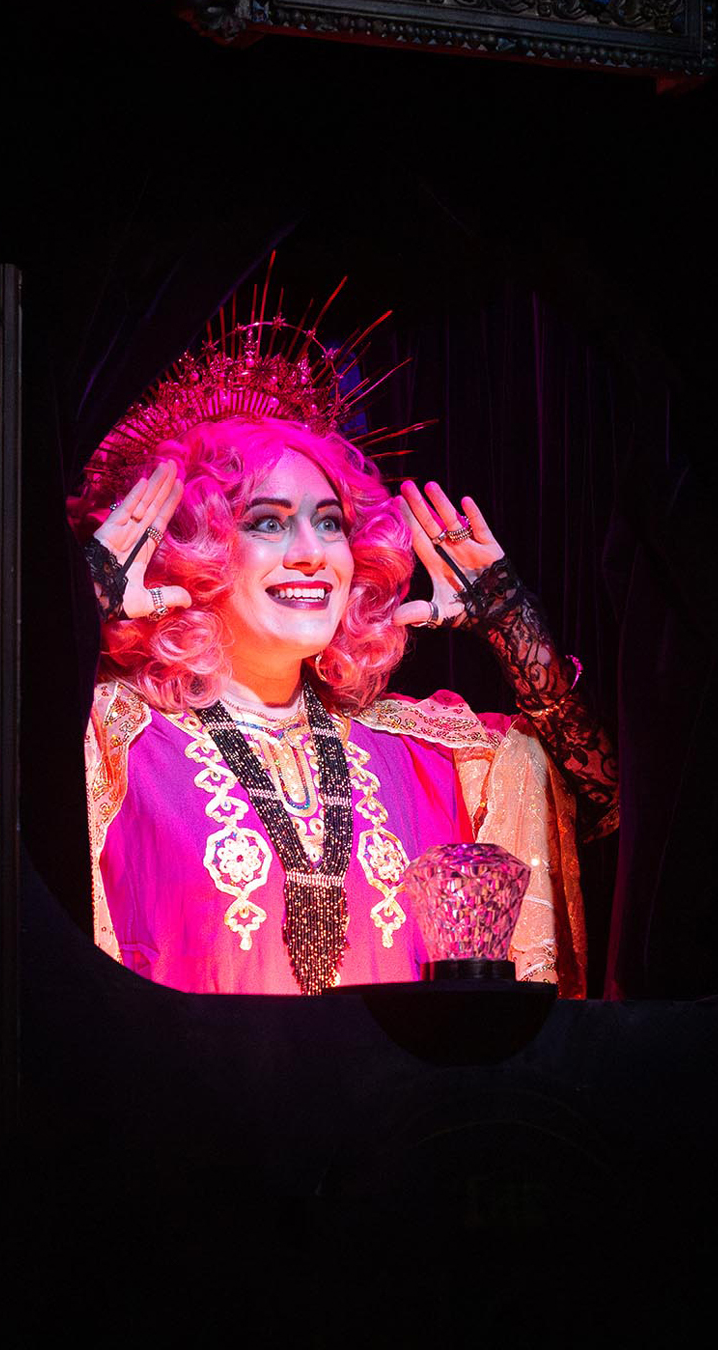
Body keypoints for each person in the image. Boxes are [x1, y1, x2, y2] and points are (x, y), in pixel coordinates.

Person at [79, 317, 617, 998]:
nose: (312, 550)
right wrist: (80, 600)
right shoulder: (115, 738)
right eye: (266, 521)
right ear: (196, 549)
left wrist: (512, 620)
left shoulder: (444, 757)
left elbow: (609, 813)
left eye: (329, 521)